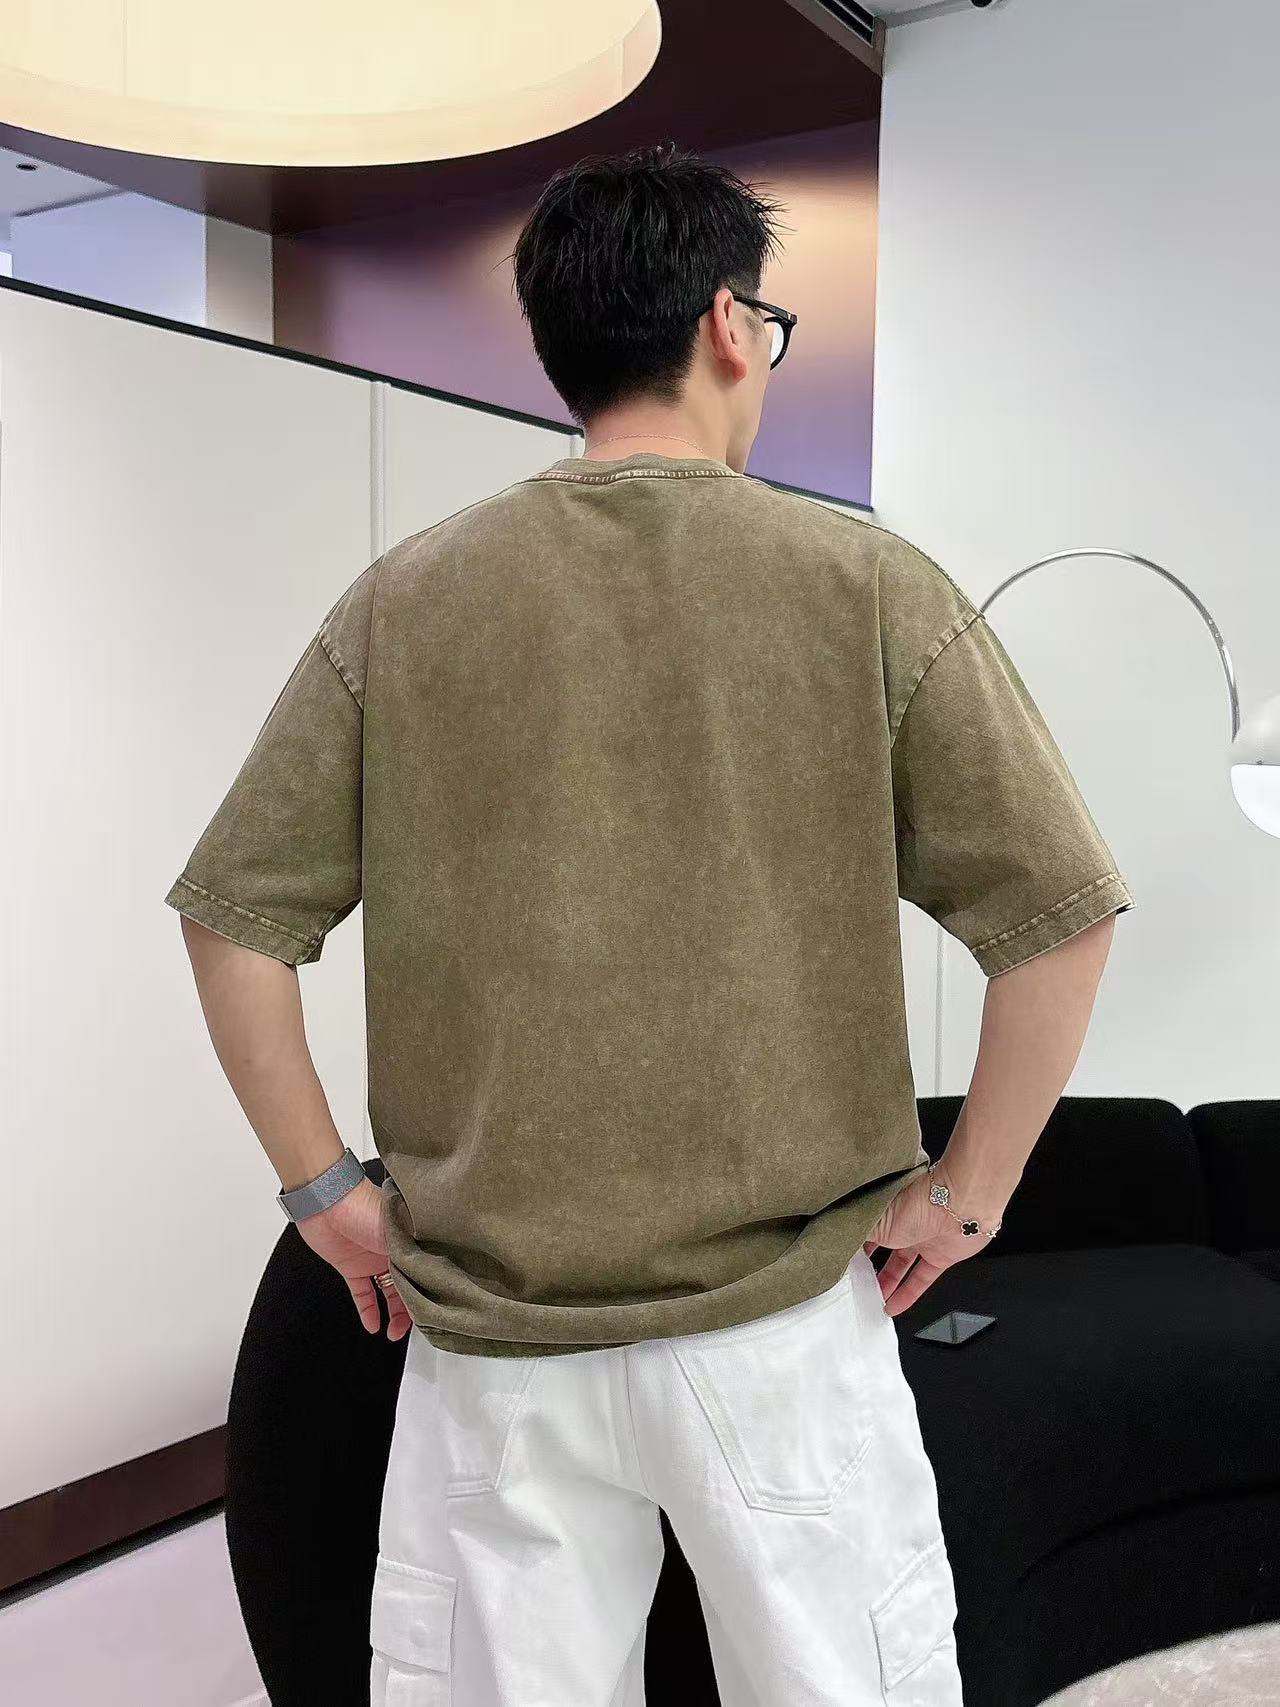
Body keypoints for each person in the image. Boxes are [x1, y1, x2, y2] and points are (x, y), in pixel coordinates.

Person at [165, 141, 1134, 1706]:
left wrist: (324, 1190)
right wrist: (967, 1199)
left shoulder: (404, 603)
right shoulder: (865, 585)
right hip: (784, 1334)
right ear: (730, 326)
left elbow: (232, 924)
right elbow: (1061, 917)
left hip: (497, 1347)